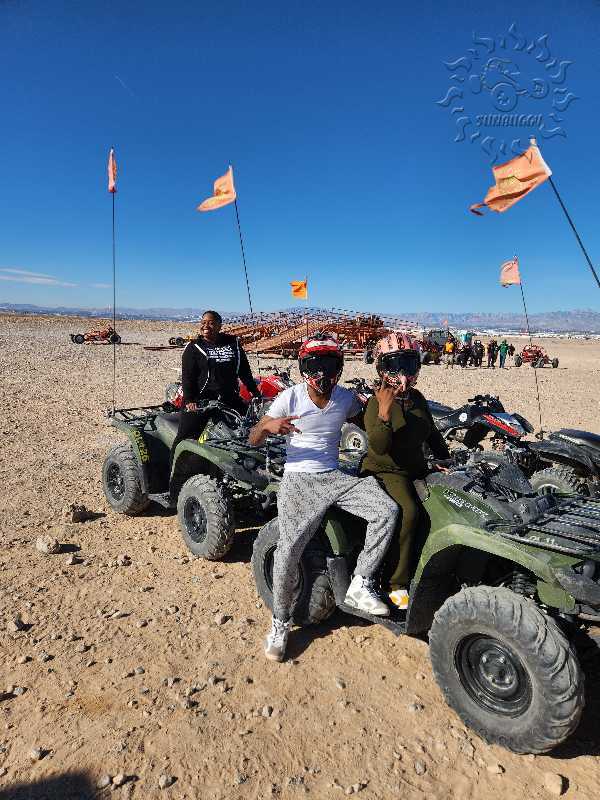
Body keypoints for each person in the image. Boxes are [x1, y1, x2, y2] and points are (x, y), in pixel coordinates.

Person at [248, 334, 399, 662]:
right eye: (315, 365)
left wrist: (387, 405)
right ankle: (280, 622)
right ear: (303, 367)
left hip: (334, 476)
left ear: (339, 368)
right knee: (288, 551)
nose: (322, 374)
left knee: (386, 509)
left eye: (329, 366)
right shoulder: (289, 397)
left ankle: (361, 581)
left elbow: (369, 422)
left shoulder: (345, 399)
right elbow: (253, 437)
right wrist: (269, 426)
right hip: (299, 480)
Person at [361, 333, 450, 609]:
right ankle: (395, 583)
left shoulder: (417, 398)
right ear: (382, 368)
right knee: (409, 511)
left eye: (409, 364)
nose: (403, 373)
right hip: (386, 470)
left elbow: (431, 431)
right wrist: (384, 412)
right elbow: (379, 446)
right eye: (395, 365)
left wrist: (446, 458)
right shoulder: (376, 402)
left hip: (415, 467)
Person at [170, 311, 261, 467]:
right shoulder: (194, 347)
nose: (206, 326)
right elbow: (188, 377)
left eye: (211, 323)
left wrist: (255, 392)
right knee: (185, 436)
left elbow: (244, 371)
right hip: (200, 401)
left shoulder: (233, 344)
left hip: (229, 398)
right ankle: (173, 470)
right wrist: (190, 400)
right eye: (203, 322)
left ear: (219, 326)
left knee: (250, 427)